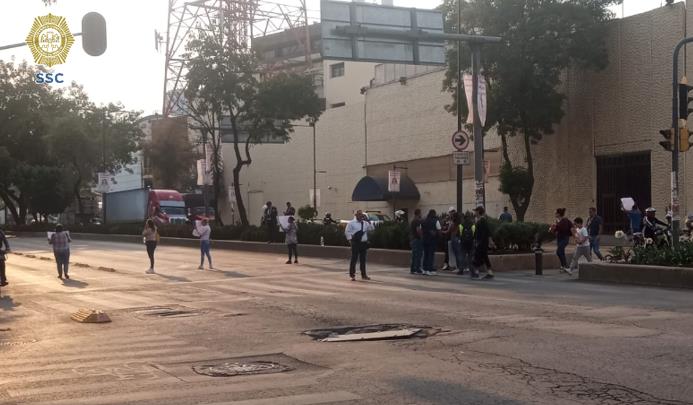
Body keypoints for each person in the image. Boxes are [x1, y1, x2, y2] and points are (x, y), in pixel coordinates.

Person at [344, 210, 374, 281]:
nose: (361, 216)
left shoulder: (365, 223)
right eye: (359, 215)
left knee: (363, 260)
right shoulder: (351, 223)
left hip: (363, 243)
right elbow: (347, 232)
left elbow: (372, 228)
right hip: (355, 243)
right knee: (354, 259)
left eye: (362, 215)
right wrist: (350, 241)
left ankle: (364, 275)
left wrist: (368, 221)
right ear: (356, 215)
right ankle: (352, 275)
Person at [472, 206, 493, 280]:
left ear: (478, 212)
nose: (474, 212)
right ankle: (489, 272)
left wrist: (489, 241)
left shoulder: (482, 220)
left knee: (477, 257)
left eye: (475, 211)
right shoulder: (479, 220)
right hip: (481, 242)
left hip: (482, 242)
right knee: (484, 257)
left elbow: (487, 232)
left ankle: (477, 272)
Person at [550, 208, 573, 272]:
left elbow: (566, 228)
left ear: (559, 214)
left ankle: (565, 266)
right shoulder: (557, 221)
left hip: (565, 238)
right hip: (559, 238)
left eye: (556, 213)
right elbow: (554, 231)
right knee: (561, 252)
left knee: (558, 251)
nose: (555, 214)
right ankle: (564, 266)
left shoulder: (565, 220)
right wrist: (553, 229)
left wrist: (556, 227)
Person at [422, 209, 441, 276]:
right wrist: (437, 235)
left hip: (425, 240)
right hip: (432, 241)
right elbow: (439, 231)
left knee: (426, 255)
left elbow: (421, 230)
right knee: (431, 255)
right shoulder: (436, 221)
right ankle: (429, 269)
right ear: (434, 214)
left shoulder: (424, 221)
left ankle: (424, 269)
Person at [457, 211, 476, 276]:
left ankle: (461, 270)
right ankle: (472, 271)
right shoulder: (473, 225)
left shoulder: (461, 225)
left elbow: (458, 234)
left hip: (463, 243)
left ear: (464, 219)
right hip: (471, 243)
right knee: (470, 257)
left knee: (462, 256)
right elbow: (474, 234)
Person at [409, 208, 424, 275]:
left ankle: (412, 269)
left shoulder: (412, 221)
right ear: (419, 213)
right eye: (421, 213)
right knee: (418, 255)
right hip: (417, 240)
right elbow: (418, 230)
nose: (421, 214)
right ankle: (417, 269)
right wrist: (421, 236)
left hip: (412, 239)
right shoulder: (417, 221)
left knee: (414, 255)